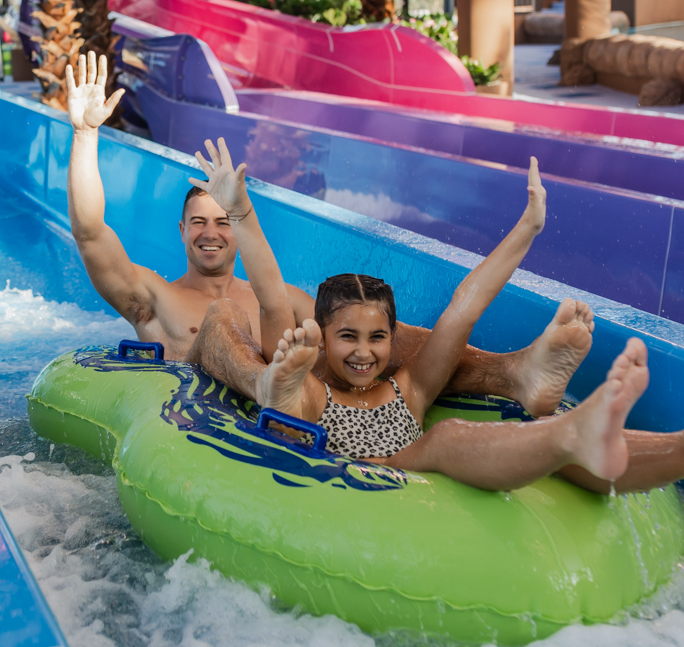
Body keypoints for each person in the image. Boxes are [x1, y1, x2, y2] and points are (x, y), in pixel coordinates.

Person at [65, 51, 591, 417]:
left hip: (300, 407)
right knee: (222, 319)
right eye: (198, 222)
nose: (211, 233)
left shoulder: (278, 297)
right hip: (216, 415)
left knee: (365, 323)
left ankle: (516, 373)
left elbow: (344, 334)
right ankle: (264, 383)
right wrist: (86, 135)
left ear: (236, 229)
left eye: (223, 221)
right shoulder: (154, 298)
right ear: (181, 231)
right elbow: (90, 234)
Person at [190, 136, 682, 494]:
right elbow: (272, 300)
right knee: (441, 438)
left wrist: (528, 228)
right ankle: (278, 397)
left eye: (377, 337)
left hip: (414, 480)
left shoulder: (411, 387)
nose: (364, 352)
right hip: (357, 482)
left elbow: (463, 310)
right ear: (323, 338)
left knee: (467, 436)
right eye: (347, 336)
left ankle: (662, 446)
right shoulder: (317, 392)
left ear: (392, 338)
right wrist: (240, 212)